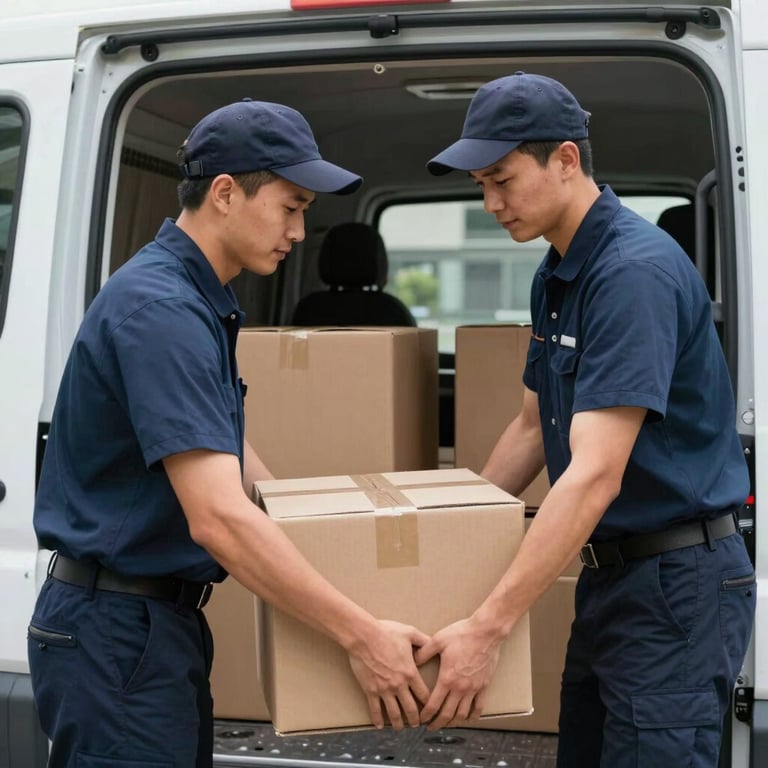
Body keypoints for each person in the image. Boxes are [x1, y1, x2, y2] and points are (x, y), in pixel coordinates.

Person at [27, 99, 430, 767]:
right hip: (117, 633)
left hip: (149, 627)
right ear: (223, 193)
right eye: (291, 206)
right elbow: (218, 516)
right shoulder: (162, 310)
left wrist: (333, 544)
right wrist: (360, 636)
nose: (300, 231)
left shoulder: (194, 298)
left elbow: (232, 456)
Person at [416, 72, 756, 767]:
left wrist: (489, 627)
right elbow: (529, 428)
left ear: (566, 160)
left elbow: (595, 473)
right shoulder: (560, 270)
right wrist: (445, 537)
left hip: (674, 587)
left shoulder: (632, 274)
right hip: (612, 580)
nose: (490, 203)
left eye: (502, 180)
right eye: (481, 184)